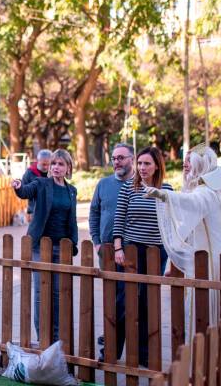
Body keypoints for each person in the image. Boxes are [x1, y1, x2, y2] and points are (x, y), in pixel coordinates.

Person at [146, 144, 221, 334]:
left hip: (215, 263)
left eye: (189, 162)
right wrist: (175, 255)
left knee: (210, 317)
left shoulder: (206, 193)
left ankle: (209, 359)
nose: (185, 165)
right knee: (220, 319)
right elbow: (187, 226)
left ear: (199, 166)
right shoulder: (213, 190)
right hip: (220, 258)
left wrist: (163, 194)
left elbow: (191, 203)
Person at [110, 146, 173, 367]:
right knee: (123, 301)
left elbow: (170, 224)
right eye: (140, 163)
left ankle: (144, 355)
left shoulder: (166, 189)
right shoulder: (129, 187)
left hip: (156, 252)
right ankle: (112, 350)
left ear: (157, 166)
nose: (142, 168)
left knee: (148, 302)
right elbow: (119, 219)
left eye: (147, 163)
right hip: (131, 251)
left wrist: (173, 257)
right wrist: (118, 248)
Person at [11, 149, 77, 342]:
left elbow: (71, 219)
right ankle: (43, 339)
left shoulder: (71, 191)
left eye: (60, 164)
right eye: (54, 164)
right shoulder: (41, 184)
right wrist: (18, 186)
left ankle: (56, 340)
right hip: (40, 246)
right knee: (41, 294)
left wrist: (73, 243)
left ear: (68, 168)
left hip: (61, 248)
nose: (56, 167)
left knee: (57, 296)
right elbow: (25, 191)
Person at [89, 142, 134, 347]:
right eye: (114, 158)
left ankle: (112, 342)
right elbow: (94, 213)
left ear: (131, 159)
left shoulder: (139, 184)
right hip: (106, 249)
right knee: (111, 297)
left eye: (121, 158)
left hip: (132, 250)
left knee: (127, 299)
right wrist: (97, 242)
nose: (117, 162)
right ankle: (112, 339)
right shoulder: (103, 184)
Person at [22, 149, 53, 222]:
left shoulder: (54, 172)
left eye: (48, 164)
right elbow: (24, 191)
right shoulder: (30, 172)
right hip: (35, 210)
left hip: (51, 211)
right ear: (37, 161)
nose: (46, 167)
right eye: (43, 164)